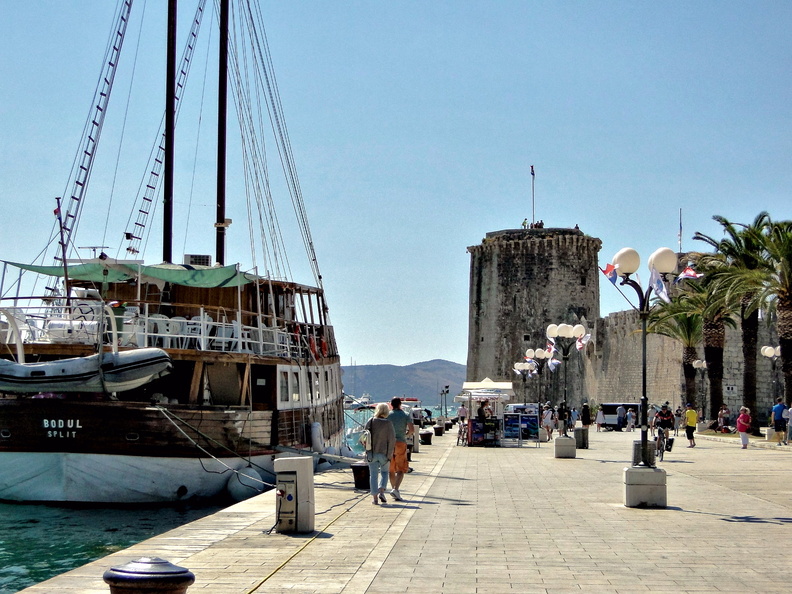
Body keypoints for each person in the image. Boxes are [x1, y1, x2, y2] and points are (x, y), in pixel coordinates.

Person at [365, 403, 395, 505]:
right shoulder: (388, 424)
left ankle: (375, 498)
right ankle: (381, 491)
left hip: (372, 453)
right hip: (384, 453)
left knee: (373, 475)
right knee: (385, 473)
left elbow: (364, 436)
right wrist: (389, 455)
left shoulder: (371, 421)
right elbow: (392, 440)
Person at [388, 397, 414, 501]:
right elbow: (412, 429)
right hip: (400, 442)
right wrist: (406, 434)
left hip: (389, 443)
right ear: (400, 404)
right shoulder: (405, 415)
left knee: (391, 469)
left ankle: (393, 489)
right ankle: (395, 489)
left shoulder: (388, 415)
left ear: (391, 405)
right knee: (401, 468)